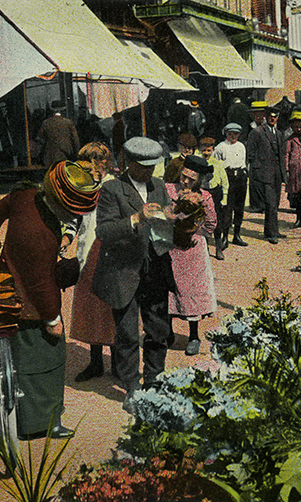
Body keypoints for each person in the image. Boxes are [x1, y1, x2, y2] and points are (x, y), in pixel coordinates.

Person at [0, 160, 100, 440]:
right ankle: (42, 423)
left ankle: (25, 417)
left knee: (19, 358)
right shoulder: (39, 233)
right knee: (47, 359)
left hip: (7, 284)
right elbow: (41, 283)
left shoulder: (27, 195)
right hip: (30, 305)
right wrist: (52, 319)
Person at [92, 137, 177, 414]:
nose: (150, 172)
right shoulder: (112, 189)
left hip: (155, 268)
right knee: (127, 334)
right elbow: (103, 232)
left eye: (154, 166)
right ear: (129, 164)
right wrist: (136, 218)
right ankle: (132, 387)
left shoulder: (159, 186)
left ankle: (154, 381)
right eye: (144, 167)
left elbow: (166, 224)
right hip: (124, 271)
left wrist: (175, 218)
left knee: (158, 330)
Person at [71, 143, 118, 383]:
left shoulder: (113, 186)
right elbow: (77, 218)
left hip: (108, 251)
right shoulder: (85, 186)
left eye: (90, 164)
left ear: (102, 164)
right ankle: (96, 361)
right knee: (91, 305)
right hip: (87, 249)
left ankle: (119, 361)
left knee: (112, 305)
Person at [166, 155, 217, 356]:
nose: (185, 182)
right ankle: (168, 332)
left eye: (191, 179)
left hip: (193, 251)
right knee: (170, 290)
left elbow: (211, 224)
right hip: (171, 247)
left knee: (192, 291)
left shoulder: (205, 197)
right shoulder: (169, 190)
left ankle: (194, 336)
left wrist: (194, 232)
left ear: (199, 180)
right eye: (184, 176)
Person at [247, 107, 287, 244]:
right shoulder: (257, 132)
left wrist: (283, 173)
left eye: (275, 116)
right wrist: (258, 170)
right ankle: (272, 234)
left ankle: (271, 230)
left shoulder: (279, 133)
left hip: (277, 172)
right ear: (266, 116)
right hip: (265, 172)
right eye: (270, 116)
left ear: (278, 118)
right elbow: (250, 154)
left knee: (275, 203)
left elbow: (282, 155)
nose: (273, 118)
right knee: (270, 203)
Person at [214, 123, 249, 247]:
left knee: (239, 207)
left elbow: (244, 162)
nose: (232, 136)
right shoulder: (220, 147)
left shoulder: (241, 146)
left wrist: (243, 174)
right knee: (227, 208)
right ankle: (225, 237)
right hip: (227, 177)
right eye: (230, 134)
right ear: (226, 133)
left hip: (240, 177)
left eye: (235, 134)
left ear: (239, 135)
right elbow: (216, 165)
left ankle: (237, 235)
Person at [198, 137, 229, 260]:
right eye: (204, 150)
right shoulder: (198, 163)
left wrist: (224, 197)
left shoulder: (218, 163)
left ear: (213, 150)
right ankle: (204, 248)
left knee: (217, 221)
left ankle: (218, 248)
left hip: (215, 193)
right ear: (200, 150)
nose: (206, 153)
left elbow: (225, 181)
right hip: (202, 193)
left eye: (209, 150)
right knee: (202, 220)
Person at [36, 100, 80, 169]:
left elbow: (40, 139)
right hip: (66, 154)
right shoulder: (68, 122)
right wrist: (77, 154)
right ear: (63, 109)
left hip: (51, 156)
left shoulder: (46, 123)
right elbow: (75, 140)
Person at [246, 101, 269, 214]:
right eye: (257, 114)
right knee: (255, 182)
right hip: (254, 158)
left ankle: (265, 204)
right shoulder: (250, 127)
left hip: (266, 158)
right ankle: (256, 204)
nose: (260, 117)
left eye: (262, 114)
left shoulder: (269, 127)